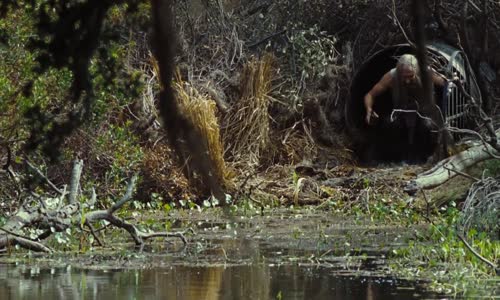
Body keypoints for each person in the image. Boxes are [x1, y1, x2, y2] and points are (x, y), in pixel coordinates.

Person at [363, 54, 447, 162]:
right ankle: (391, 160)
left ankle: (427, 159)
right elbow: (370, 95)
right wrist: (369, 110)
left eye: (410, 76)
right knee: (388, 125)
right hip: (400, 111)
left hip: (425, 112)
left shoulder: (426, 72)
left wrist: (452, 81)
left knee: (428, 127)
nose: (407, 81)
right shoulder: (391, 77)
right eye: (404, 77)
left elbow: (444, 82)